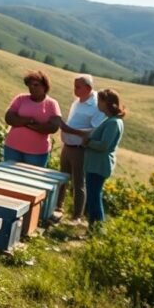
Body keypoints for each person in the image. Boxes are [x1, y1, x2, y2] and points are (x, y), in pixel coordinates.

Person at [58, 74, 106, 222]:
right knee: (62, 179)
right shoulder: (77, 101)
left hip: (80, 149)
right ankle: (58, 207)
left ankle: (77, 216)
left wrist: (69, 130)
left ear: (88, 88)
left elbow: (95, 131)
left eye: (78, 87)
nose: (74, 89)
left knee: (78, 182)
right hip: (67, 145)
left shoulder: (96, 106)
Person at [83, 88, 126, 226]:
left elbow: (104, 145)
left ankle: (97, 227)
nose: (98, 104)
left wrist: (88, 142)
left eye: (100, 101)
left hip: (99, 166)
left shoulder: (113, 122)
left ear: (107, 102)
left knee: (95, 196)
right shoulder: (111, 120)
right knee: (93, 195)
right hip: (96, 165)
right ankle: (92, 226)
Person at [3, 70, 62, 167]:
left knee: (32, 180)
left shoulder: (52, 104)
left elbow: (53, 127)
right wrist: (29, 121)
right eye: (29, 86)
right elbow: (9, 118)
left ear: (44, 86)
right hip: (12, 147)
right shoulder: (20, 99)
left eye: (36, 85)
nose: (32, 88)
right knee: (9, 178)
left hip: (37, 153)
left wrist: (23, 123)